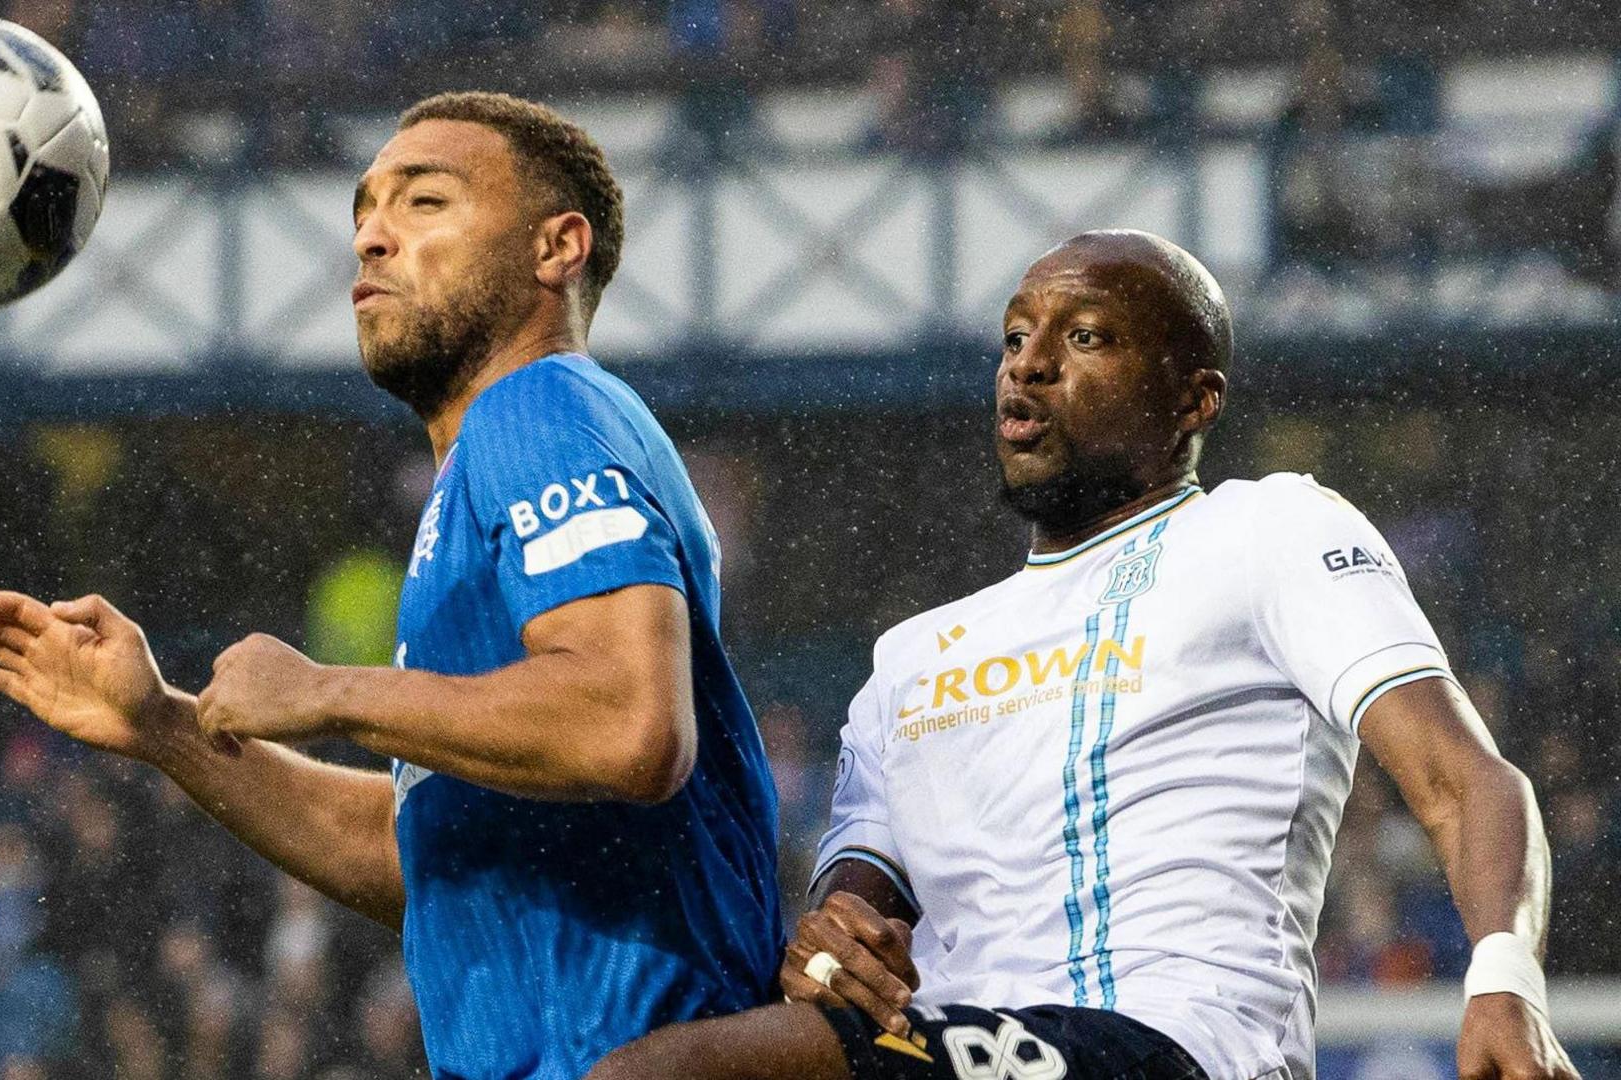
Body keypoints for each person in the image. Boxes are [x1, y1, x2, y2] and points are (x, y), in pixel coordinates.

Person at [587, 231, 1579, 1080]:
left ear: (1194, 400)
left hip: (1176, 1049)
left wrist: (1503, 976)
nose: (1028, 362)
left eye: (1087, 336)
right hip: (958, 1047)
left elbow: (1466, 782)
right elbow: (853, 917)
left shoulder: (1268, 531)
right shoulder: (910, 661)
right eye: (1016, 337)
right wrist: (830, 946)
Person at [0, 91, 782, 1080]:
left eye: (425, 203)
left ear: (558, 247)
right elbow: (432, 852)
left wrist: (327, 692)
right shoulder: (480, 474)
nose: (372, 238)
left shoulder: (538, 409)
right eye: (364, 212)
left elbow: (630, 724)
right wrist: (165, 727)